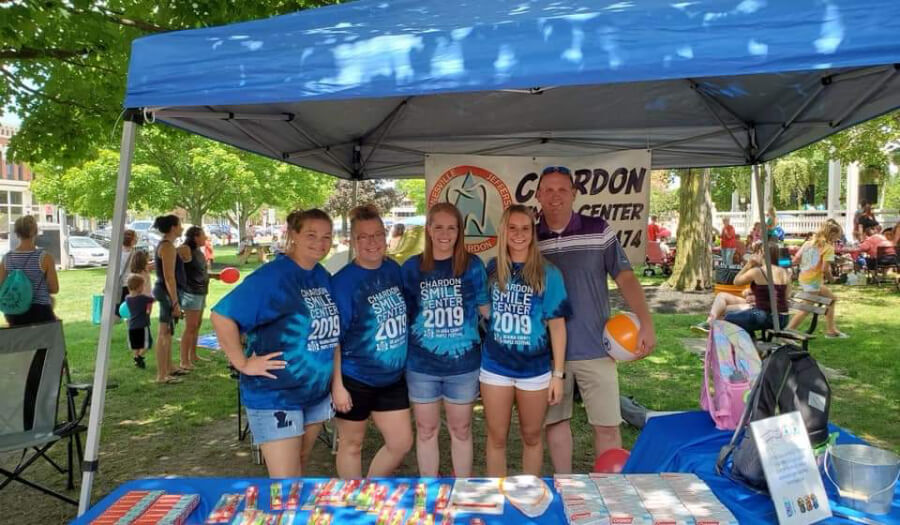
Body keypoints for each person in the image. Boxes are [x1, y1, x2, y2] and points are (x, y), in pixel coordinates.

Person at [534, 166, 656, 474]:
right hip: (548, 355)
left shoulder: (598, 228)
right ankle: (566, 485)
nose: (555, 196)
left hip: (597, 349)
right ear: (537, 196)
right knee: (556, 425)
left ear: (574, 194)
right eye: (548, 190)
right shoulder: (529, 237)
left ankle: (609, 494)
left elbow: (625, 277)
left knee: (607, 428)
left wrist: (646, 322)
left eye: (562, 189)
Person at [211, 209, 339, 478]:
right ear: (293, 235)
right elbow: (222, 315)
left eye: (327, 236)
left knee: (301, 464)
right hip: (276, 395)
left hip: (314, 394)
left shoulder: (320, 274)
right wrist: (242, 362)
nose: (320, 242)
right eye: (311, 235)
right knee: (285, 482)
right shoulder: (272, 277)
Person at [481, 205, 570, 476]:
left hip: (535, 370)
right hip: (496, 367)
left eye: (525, 228)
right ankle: (498, 501)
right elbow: (484, 310)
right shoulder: (493, 268)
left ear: (533, 232)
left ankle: (529, 497)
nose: (519, 234)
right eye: (512, 228)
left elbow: (557, 327)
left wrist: (558, 375)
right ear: (503, 231)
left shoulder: (549, 273)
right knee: (496, 438)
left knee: (532, 437)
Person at [401, 202, 489, 478]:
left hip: (463, 366)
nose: (444, 233)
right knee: (426, 430)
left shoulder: (473, 265)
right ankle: (431, 489)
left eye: (451, 227)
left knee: (461, 430)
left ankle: (461, 488)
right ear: (428, 230)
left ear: (460, 232)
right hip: (421, 365)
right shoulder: (412, 268)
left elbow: (487, 310)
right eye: (438, 226)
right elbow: (401, 315)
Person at [331, 205, 412, 478]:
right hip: (356, 379)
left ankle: (369, 489)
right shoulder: (343, 283)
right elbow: (334, 339)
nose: (372, 242)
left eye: (377, 234)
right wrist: (338, 387)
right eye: (363, 237)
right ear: (352, 241)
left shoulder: (392, 268)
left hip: (392, 378)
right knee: (352, 445)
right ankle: (353, 506)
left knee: (401, 444)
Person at [693, 242, 791, 338]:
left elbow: (736, 281)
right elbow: (786, 296)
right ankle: (712, 326)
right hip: (783, 318)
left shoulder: (758, 271)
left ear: (762, 253)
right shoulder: (785, 272)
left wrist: (749, 264)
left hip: (766, 316)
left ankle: (730, 341)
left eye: (757, 252)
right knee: (723, 302)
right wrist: (757, 296)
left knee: (729, 317)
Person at [786, 221, 847, 338]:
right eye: (837, 236)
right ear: (831, 234)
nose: (838, 238)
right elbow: (825, 269)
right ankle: (788, 330)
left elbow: (795, 260)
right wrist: (832, 279)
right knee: (806, 308)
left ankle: (831, 330)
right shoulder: (828, 248)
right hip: (813, 282)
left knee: (831, 299)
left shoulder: (807, 244)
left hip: (804, 279)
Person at [0, 215, 59, 326]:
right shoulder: (45, 258)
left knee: (19, 343)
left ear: (16, 233)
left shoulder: (6, 258)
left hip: (14, 313)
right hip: (40, 312)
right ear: (35, 232)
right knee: (43, 343)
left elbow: (1, 287)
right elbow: (54, 288)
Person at [152, 214, 187, 384]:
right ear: (173, 227)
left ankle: (169, 367)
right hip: (166, 293)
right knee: (164, 333)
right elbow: (169, 277)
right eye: (180, 225)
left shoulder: (169, 246)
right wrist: (174, 302)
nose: (182, 228)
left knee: (169, 332)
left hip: (168, 292)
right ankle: (162, 374)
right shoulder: (167, 247)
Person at [178, 226, 212, 369]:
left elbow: (200, 271)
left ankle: (193, 355)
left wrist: (216, 276)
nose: (206, 237)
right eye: (203, 235)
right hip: (190, 293)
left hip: (201, 291)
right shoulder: (185, 249)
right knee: (190, 327)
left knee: (196, 325)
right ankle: (184, 361)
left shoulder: (199, 251)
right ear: (195, 237)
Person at [125, 274, 154, 369]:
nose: (144, 287)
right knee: (147, 344)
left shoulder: (127, 298)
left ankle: (137, 361)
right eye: (142, 285)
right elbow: (153, 299)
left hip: (132, 326)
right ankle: (139, 357)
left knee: (136, 345)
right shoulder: (142, 298)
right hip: (142, 325)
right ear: (138, 287)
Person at [115, 229, 138, 319]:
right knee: (132, 313)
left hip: (118, 285)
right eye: (135, 238)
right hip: (131, 285)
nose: (137, 239)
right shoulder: (135, 254)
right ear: (132, 241)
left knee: (117, 312)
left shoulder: (117, 252)